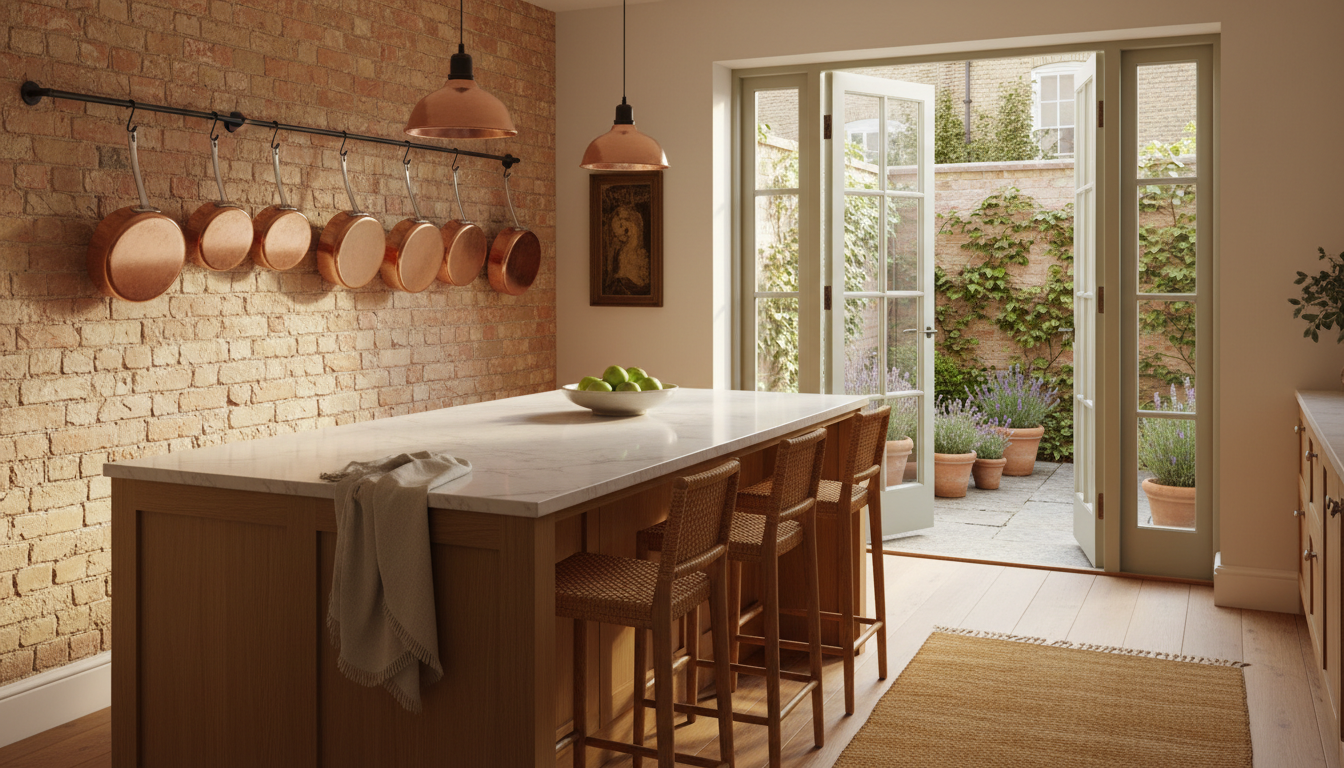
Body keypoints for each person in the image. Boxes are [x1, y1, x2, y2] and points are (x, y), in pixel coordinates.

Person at [607, 205, 649, 294]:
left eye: (622, 225)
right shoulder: (621, 252)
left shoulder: (641, 252)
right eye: (616, 235)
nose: (620, 234)